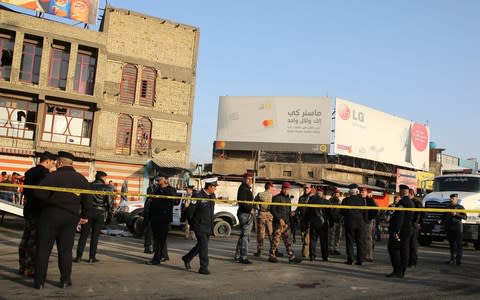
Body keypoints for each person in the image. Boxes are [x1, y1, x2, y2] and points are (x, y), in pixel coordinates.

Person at [33, 151, 92, 289]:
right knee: (65, 250)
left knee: (43, 249)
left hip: (50, 215)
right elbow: (88, 200)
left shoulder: (52, 177)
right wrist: (84, 216)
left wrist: (50, 202)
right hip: (70, 217)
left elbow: (38, 194)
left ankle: (39, 282)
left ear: (59, 163)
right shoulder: (81, 179)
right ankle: (65, 280)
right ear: (72, 164)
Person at [18, 151, 56, 277]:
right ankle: (30, 268)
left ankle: (22, 266)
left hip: (28, 208)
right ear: (47, 161)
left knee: (25, 238)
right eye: (52, 162)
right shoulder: (44, 174)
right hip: (38, 210)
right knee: (33, 241)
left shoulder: (29, 171)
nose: (53, 165)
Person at [73, 170, 113, 263]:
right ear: (103, 178)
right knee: (95, 236)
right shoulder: (107, 188)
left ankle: (78, 257)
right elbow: (110, 203)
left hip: (88, 212)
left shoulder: (88, 185)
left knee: (83, 235)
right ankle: (92, 257)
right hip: (100, 213)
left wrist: (81, 214)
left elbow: (82, 200)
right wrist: (110, 216)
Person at [182, 177, 217, 275]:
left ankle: (187, 258)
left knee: (201, 245)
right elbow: (190, 212)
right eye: (214, 186)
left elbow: (211, 211)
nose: (215, 188)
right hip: (199, 225)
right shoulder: (197, 195)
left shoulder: (212, 196)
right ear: (209, 186)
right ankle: (203, 267)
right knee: (204, 246)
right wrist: (193, 225)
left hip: (208, 225)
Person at [268, 182, 302, 264]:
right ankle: (272, 256)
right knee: (275, 241)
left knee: (288, 242)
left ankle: (291, 257)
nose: (286, 190)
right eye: (285, 189)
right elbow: (272, 209)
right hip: (278, 224)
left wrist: (290, 217)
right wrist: (279, 219)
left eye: (288, 189)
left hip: (286, 224)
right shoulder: (276, 198)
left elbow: (288, 211)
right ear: (282, 189)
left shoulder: (288, 199)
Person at [147, 177, 177, 265]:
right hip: (155, 218)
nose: (157, 181)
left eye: (159, 180)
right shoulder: (157, 189)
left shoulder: (170, 190)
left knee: (160, 240)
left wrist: (162, 188)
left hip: (164, 219)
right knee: (158, 240)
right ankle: (161, 256)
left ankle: (157, 259)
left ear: (165, 180)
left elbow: (171, 199)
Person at [386, 184, 414, 278]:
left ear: (401, 192)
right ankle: (402, 271)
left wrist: (397, 231)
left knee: (393, 249)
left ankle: (397, 270)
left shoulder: (402, 203)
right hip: (408, 230)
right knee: (404, 250)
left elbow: (400, 218)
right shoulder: (411, 202)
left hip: (400, 231)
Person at [341, 184, 367, 265]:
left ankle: (350, 259)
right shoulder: (362, 200)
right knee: (360, 242)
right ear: (357, 191)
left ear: (349, 191)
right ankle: (360, 260)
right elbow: (365, 212)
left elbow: (342, 212)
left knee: (350, 242)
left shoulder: (345, 200)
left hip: (350, 223)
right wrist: (365, 221)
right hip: (360, 224)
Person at [306, 188, 332, 261]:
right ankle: (325, 257)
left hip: (313, 224)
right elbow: (330, 213)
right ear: (322, 194)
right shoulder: (326, 202)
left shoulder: (311, 201)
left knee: (313, 241)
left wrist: (306, 222)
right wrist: (331, 222)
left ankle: (312, 256)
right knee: (324, 241)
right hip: (323, 224)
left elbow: (307, 213)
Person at [234, 172, 255, 264]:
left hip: (246, 214)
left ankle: (238, 256)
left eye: (251, 179)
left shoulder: (246, 189)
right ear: (244, 179)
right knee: (246, 237)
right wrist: (250, 209)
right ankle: (243, 257)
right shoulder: (243, 188)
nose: (250, 181)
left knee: (243, 236)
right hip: (244, 214)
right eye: (248, 179)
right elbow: (242, 202)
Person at [443, 193, 467, 265]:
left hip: (458, 228)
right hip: (449, 227)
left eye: (453, 198)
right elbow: (443, 216)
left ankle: (458, 260)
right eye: (451, 198)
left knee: (459, 244)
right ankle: (452, 259)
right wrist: (441, 220)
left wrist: (456, 214)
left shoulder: (460, 207)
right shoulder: (447, 207)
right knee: (451, 244)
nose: (451, 200)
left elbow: (465, 217)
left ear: (457, 199)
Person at [254, 181, 274, 257]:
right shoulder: (272, 196)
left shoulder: (260, 194)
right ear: (270, 187)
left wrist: (258, 208)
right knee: (271, 234)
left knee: (261, 234)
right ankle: (273, 251)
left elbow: (255, 204)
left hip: (261, 214)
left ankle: (260, 251)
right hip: (269, 215)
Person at [143, 176, 160, 254]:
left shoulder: (153, 188)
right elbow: (147, 209)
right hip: (149, 216)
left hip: (152, 216)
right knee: (149, 232)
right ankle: (147, 248)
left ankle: (151, 247)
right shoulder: (149, 199)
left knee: (152, 232)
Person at [297, 183, 314, 257]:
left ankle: (306, 252)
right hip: (302, 219)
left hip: (309, 220)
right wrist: (295, 212)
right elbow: (299, 207)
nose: (306, 189)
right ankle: (305, 250)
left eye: (307, 188)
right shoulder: (301, 198)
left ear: (310, 189)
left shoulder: (312, 197)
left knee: (307, 237)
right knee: (303, 236)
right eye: (305, 188)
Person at [362, 188, 378, 262]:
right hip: (362, 221)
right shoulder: (361, 199)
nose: (362, 193)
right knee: (363, 238)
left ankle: (368, 255)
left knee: (368, 238)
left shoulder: (369, 200)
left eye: (364, 192)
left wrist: (369, 219)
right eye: (361, 192)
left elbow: (375, 211)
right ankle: (363, 253)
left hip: (368, 221)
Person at [408, 188, 423, 267]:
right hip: (409, 225)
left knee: (413, 245)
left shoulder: (417, 202)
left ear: (411, 194)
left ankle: (413, 262)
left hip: (414, 226)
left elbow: (420, 214)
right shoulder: (408, 202)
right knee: (407, 244)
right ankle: (408, 261)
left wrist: (418, 223)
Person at [328, 188, 343, 255]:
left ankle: (336, 248)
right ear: (333, 194)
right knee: (331, 235)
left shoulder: (340, 202)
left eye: (338, 193)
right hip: (332, 221)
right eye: (336, 193)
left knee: (338, 235)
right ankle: (330, 248)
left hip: (339, 221)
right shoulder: (330, 201)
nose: (337, 194)